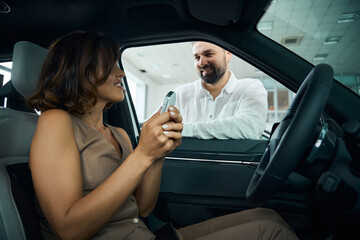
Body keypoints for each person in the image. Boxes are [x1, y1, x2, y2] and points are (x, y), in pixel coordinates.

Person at [26, 31, 298, 240]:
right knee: (268, 233)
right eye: (109, 66)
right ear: (79, 72)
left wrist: (157, 155)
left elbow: (143, 209)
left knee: (267, 216)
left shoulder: (118, 133)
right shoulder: (56, 122)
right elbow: (68, 229)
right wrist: (142, 154)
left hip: (145, 235)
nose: (121, 72)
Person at [173, 41, 268, 139]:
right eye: (197, 57)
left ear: (228, 55)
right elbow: (157, 128)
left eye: (209, 54)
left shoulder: (250, 88)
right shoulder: (179, 94)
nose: (201, 63)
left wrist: (184, 130)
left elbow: (251, 128)